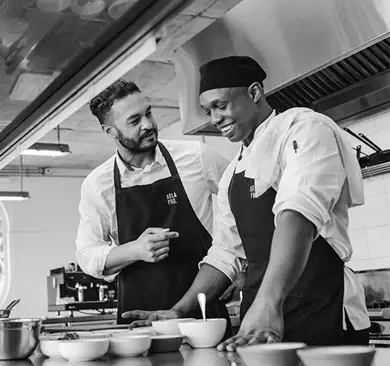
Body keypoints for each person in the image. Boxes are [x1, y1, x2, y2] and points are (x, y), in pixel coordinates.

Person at [122, 56, 370, 349]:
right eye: (207, 111)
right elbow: (225, 254)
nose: (214, 120)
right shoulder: (232, 173)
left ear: (254, 93)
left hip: (320, 308)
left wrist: (268, 302)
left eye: (221, 106)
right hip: (258, 324)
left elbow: (299, 213)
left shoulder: (304, 129)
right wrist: (179, 310)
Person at [75, 79, 232, 329]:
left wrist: (241, 270)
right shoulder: (98, 184)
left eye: (148, 113)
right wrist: (135, 250)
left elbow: (244, 209)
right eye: (134, 121)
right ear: (110, 131)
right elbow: (86, 255)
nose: (148, 125)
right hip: (139, 323)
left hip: (202, 314)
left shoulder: (196, 156)